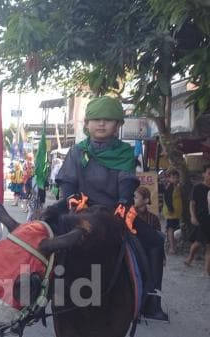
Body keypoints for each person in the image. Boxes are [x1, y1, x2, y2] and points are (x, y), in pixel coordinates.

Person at [56, 96, 171, 318]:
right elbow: (68, 181)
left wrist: (123, 203)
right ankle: (43, 297)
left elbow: (126, 181)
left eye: (108, 120)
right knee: (43, 239)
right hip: (78, 212)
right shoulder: (76, 151)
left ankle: (152, 301)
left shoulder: (126, 153)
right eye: (96, 119)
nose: (101, 124)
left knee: (155, 240)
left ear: (118, 125)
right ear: (87, 124)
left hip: (116, 212)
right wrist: (70, 198)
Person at [133, 186, 169, 321]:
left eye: (136, 197)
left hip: (150, 256)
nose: (133, 199)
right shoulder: (131, 216)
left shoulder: (153, 218)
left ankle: (151, 308)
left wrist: (162, 257)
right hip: (137, 254)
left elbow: (158, 241)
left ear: (146, 200)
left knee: (152, 279)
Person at [184, 164, 210, 276]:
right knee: (198, 242)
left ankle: (206, 270)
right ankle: (190, 257)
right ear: (204, 174)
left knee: (209, 245)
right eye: (209, 173)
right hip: (201, 220)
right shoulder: (198, 188)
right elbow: (192, 204)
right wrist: (193, 216)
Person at [162, 169, 183, 254]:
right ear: (169, 179)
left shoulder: (177, 186)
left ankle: (172, 244)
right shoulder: (169, 187)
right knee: (171, 228)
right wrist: (170, 209)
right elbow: (168, 199)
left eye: (177, 177)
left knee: (174, 228)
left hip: (176, 213)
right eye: (173, 178)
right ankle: (171, 247)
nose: (175, 179)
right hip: (171, 212)